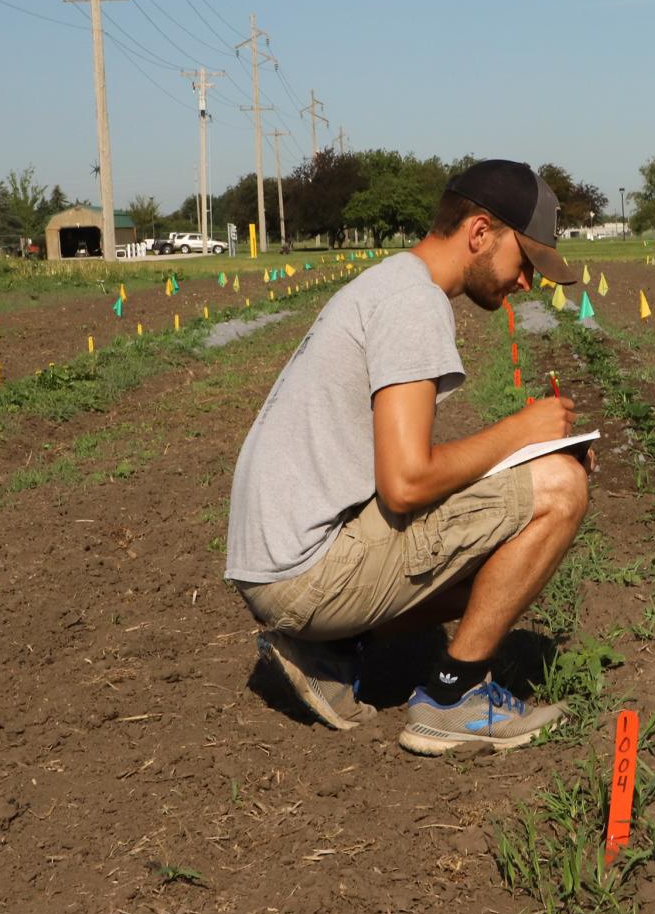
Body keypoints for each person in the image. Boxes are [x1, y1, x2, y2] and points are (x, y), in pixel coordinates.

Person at [225, 160, 592, 755]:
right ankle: (455, 697)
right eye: (523, 261)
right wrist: (524, 436)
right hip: (305, 574)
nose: (526, 282)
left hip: (278, 562)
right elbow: (406, 483)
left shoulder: (391, 282)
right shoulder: (414, 304)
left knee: (505, 538)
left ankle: (332, 655)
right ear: (479, 233)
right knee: (559, 487)